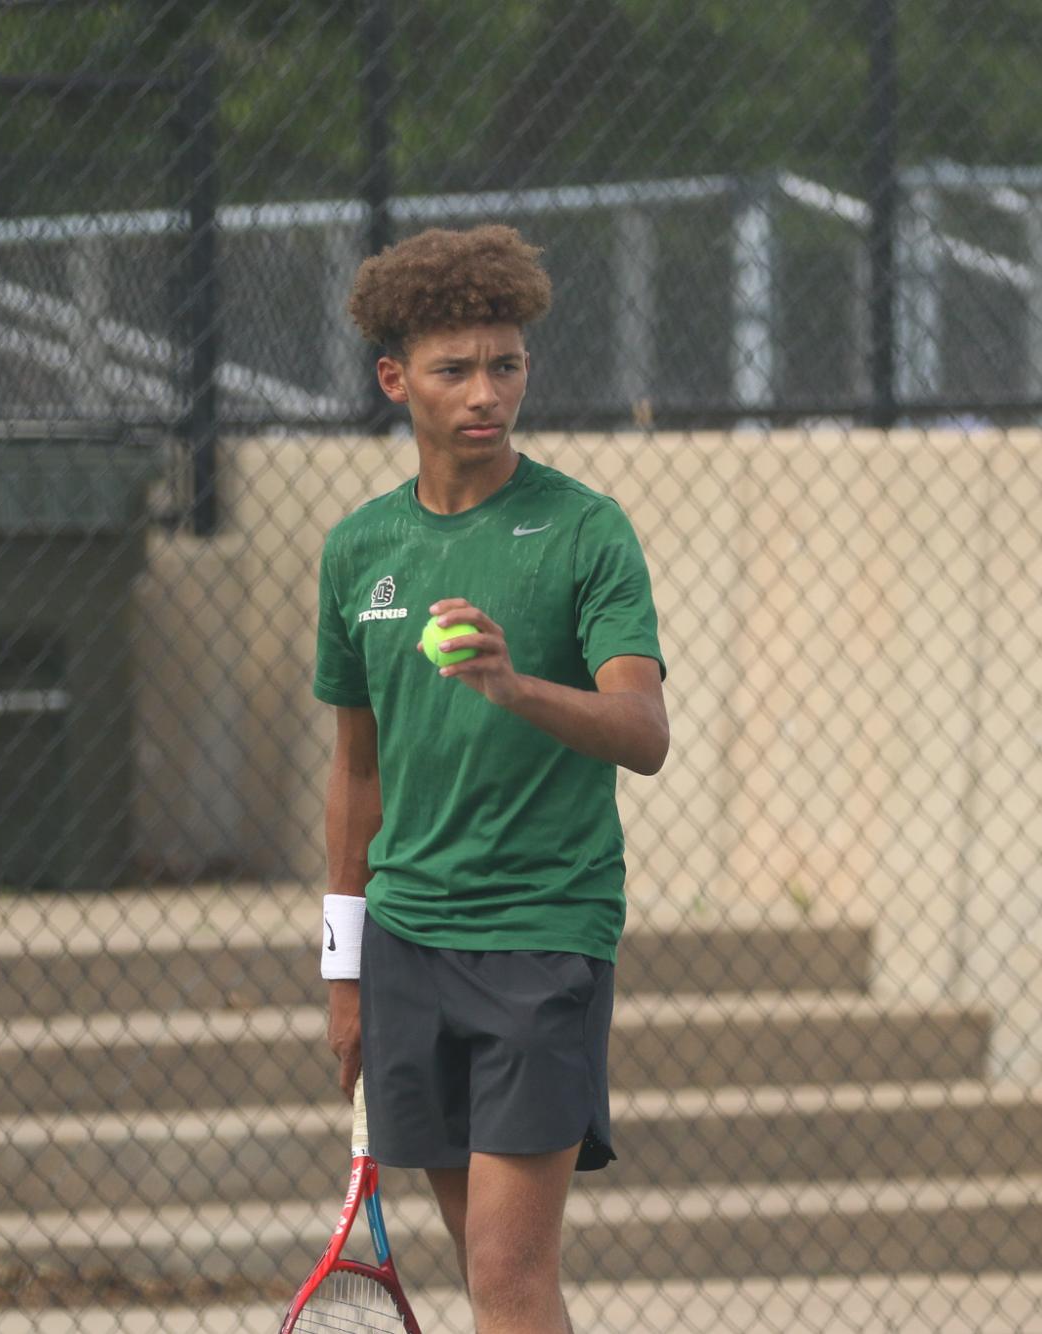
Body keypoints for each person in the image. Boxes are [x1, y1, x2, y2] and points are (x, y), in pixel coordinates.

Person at [311, 223, 669, 1334]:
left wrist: (516, 685)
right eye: (454, 368)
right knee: (490, 1277)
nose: (485, 392)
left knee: (512, 1275)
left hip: (544, 932)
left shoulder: (584, 531)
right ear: (395, 379)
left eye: (505, 364)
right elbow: (355, 777)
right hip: (409, 942)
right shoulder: (359, 549)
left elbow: (643, 730)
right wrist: (345, 969)